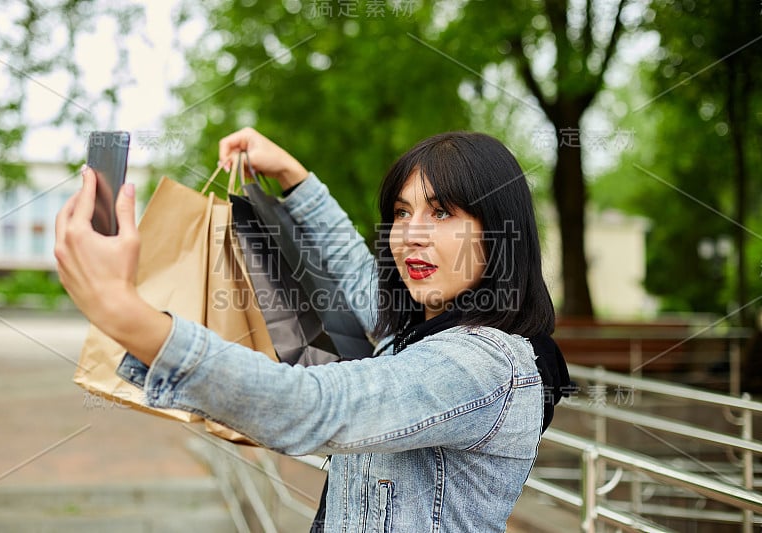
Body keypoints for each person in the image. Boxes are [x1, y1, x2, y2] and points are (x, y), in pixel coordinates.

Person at [55, 128, 568, 532]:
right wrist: (292, 176)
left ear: (501, 231)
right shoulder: (415, 328)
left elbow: (313, 406)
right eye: (401, 212)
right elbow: (351, 265)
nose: (410, 233)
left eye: (441, 212)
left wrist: (125, 313)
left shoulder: (478, 365)